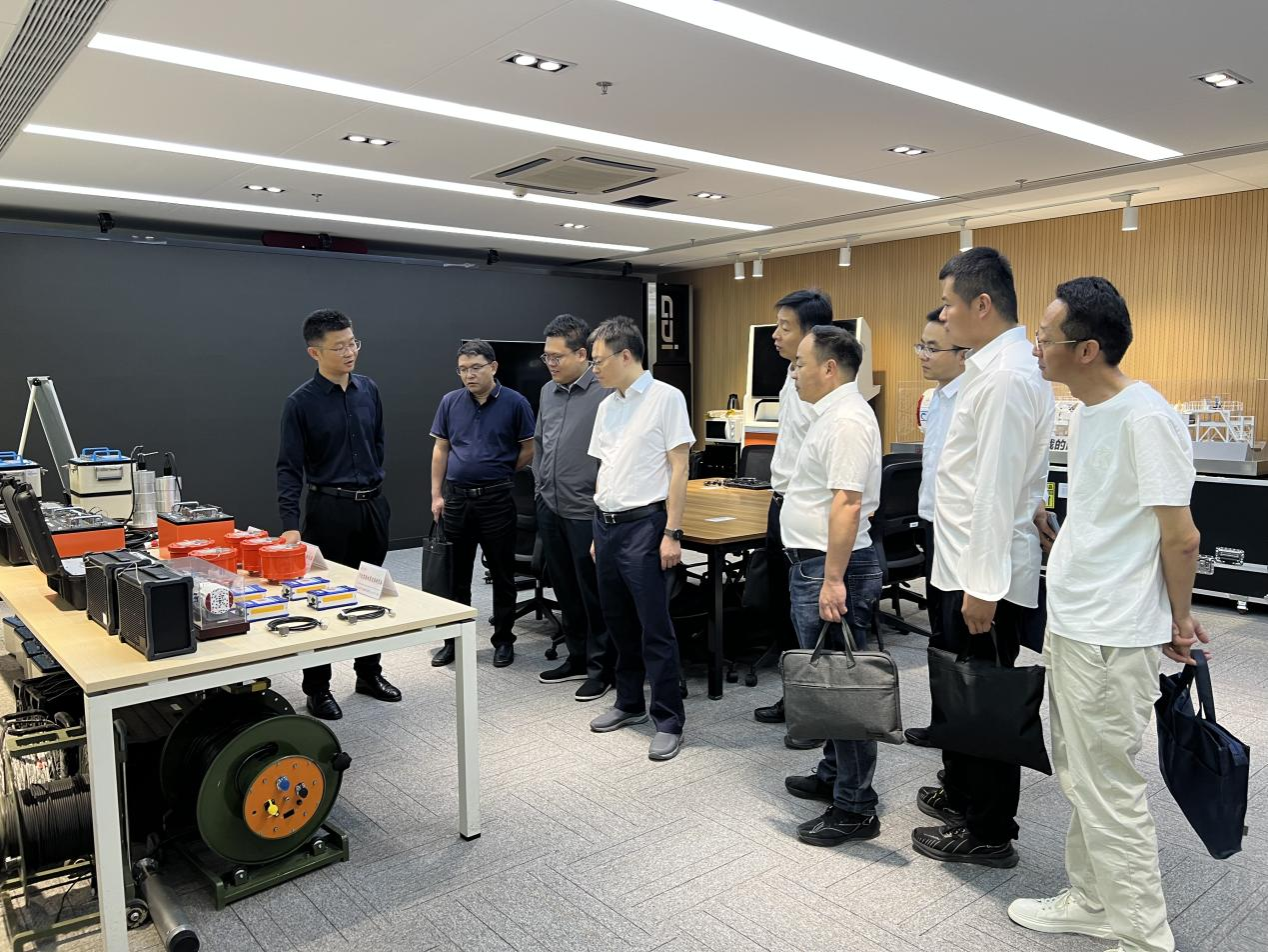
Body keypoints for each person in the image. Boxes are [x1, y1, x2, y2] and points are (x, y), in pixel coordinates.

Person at [1006, 277, 1206, 952]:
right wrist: (1065, 543)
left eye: (1045, 338)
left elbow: (1181, 537)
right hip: (1077, 621)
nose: (1036, 348)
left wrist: (1180, 619)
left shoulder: (1145, 417)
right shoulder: (1088, 412)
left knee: (1108, 785)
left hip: (1111, 633)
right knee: (1080, 776)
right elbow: (1119, 521)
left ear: (1087, 349)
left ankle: (1145, 936)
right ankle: (1093, 900)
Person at [911, 247, 1054, 868]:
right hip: (963, 563)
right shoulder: (994, 369)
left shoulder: (1003, 377)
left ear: (983, 304)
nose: (943, 315)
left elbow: (995, 489)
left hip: (981, 573)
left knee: (986, 699)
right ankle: (966, 796)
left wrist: (983, 585)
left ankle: (990, 832)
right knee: (962, 691)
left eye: (949, 304)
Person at [779, 325, 884, 847]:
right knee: (829, 683)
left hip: (831, 567)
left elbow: (848, 503)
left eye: (800, 363)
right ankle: (833, 774)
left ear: (829, 368)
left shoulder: (845, 420)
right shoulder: (831, 414)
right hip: (817, 564)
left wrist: (834, 579)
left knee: (844, 691)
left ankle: (856, 807)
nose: (793, 372)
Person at [276, 309, 400, 721]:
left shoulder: (370, 390)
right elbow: (288, 467)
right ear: (315, 352)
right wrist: (291, 525)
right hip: (328, 509)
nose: (350, 352)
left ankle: (369, 673)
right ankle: (318, 688)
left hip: (373, 506)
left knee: (371, 591)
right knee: (324, 598)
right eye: (339, 347)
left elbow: (377, 442)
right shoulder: (300, 403)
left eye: (353, 343)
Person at [585, 316, 693, 762]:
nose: (594, 369)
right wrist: (598, 526)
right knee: (618, 622)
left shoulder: (667, 398)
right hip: (606, 525)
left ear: (626, 355)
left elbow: (680, 467)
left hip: (645, 526)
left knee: (654, 627)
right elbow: (605, 466)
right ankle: (628, 702)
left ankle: (668, 719)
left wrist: (672, 532)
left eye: (598, 361)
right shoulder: (607, 405)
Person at [752, 290, 834, 753]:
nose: (775, 335)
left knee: (809, 617)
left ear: (811, 334)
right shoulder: (792, 377)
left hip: (807, 511)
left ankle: (817, 715)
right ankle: (796, 697)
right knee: (785, 607)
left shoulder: (824, 392)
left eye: (785, 326)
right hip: (782, 502)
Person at [429, 340, 535, 668]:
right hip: (457, 499)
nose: (469, 375)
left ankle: (503, 640)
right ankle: (453, 641)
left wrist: (501, 470)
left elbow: (528, 449)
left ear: (493, 367)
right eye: (463, 369)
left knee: (502, 574)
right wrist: (436, 494)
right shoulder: (450, 402)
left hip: (496, 500)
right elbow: (441, 449)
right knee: (456, 577)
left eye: (475, 367)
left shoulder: (515, 403)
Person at [533, 314, 615, 701]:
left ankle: (602, 668)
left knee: (593, 593)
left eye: (557, 356)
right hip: (551, 505)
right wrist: (540, 487)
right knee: (565, 588)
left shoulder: (605, 391)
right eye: (546, 356)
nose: (549, 363)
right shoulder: (547, 392)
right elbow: (540, 441)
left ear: (582, 354)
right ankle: (577, 656)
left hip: (586, 509)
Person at [904, 307, 968, 747]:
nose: (923, 355)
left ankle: (961, 730)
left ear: (963, 353)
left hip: (960, 531)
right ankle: (943, 723)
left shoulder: (973, 401)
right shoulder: (935, 400)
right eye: (921, 346)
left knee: (960, 635)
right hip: (933, 524)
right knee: (940, 632)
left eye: (932, 348)